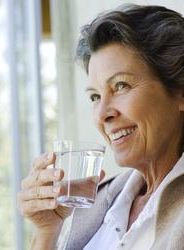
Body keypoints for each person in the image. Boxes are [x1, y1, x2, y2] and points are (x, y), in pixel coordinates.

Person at [17, 4, 184, 250]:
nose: (103, 113)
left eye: (121, 86)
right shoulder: (93, 205)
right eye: (95, 96)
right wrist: (45, 233)